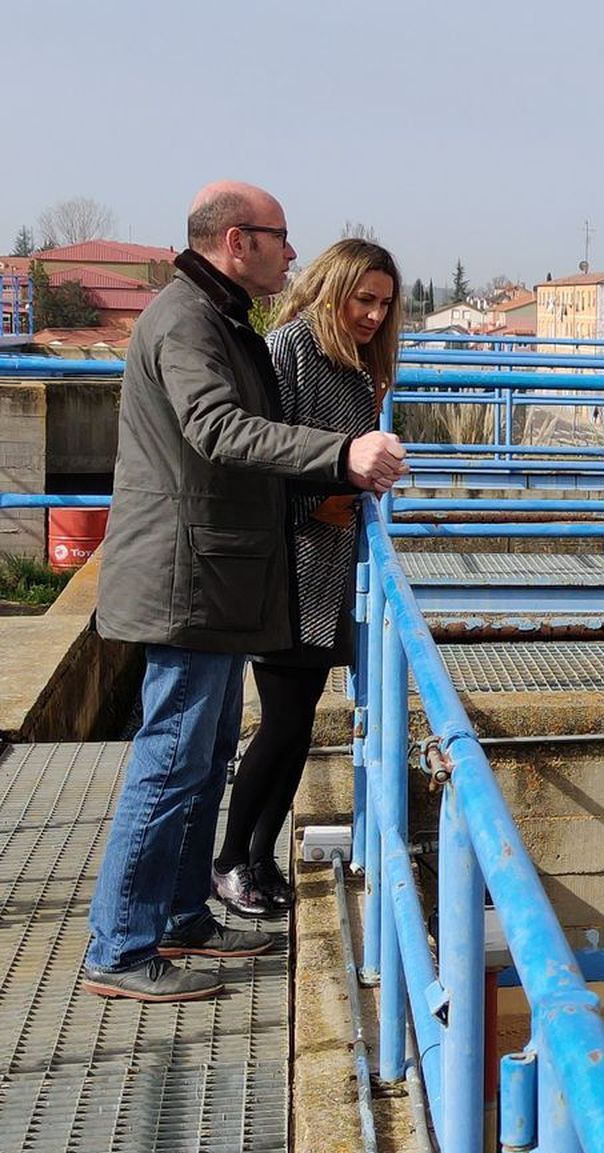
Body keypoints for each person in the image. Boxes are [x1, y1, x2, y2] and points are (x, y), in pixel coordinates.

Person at [83, 182, 407, 1003]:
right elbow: (217, 430)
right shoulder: (189, 320)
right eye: (280, 238)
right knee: (171, 761)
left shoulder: (219, 318)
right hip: (186, 579)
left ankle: (184, 914)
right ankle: (120, 947)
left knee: (202, 759)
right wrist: (341, 459)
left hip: (217, 580)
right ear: (238, 240)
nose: (292, 253)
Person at [211, 239, 401, 917]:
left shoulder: (357, 367)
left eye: (384, 303)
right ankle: (231, 860)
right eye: (363, 299)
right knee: (282, 722)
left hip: (331, 570)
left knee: (297, 725)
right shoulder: (289, 348)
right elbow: (257, 452)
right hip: (289, 567)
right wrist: (312, 503)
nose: (375, 315)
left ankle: (260, 856)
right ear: (333, 289)